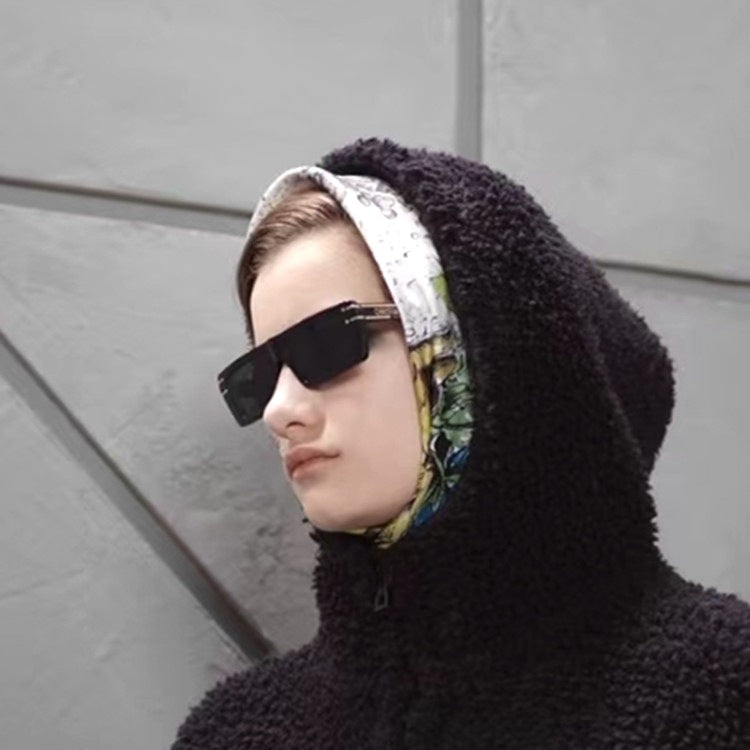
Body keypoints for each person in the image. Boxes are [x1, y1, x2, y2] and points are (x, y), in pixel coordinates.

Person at [171, 137, 750, 748]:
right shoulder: (231, 734)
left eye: (324, 344)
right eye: (259, 376)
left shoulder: (723, 695)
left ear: (472, 347)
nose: (278, 410)